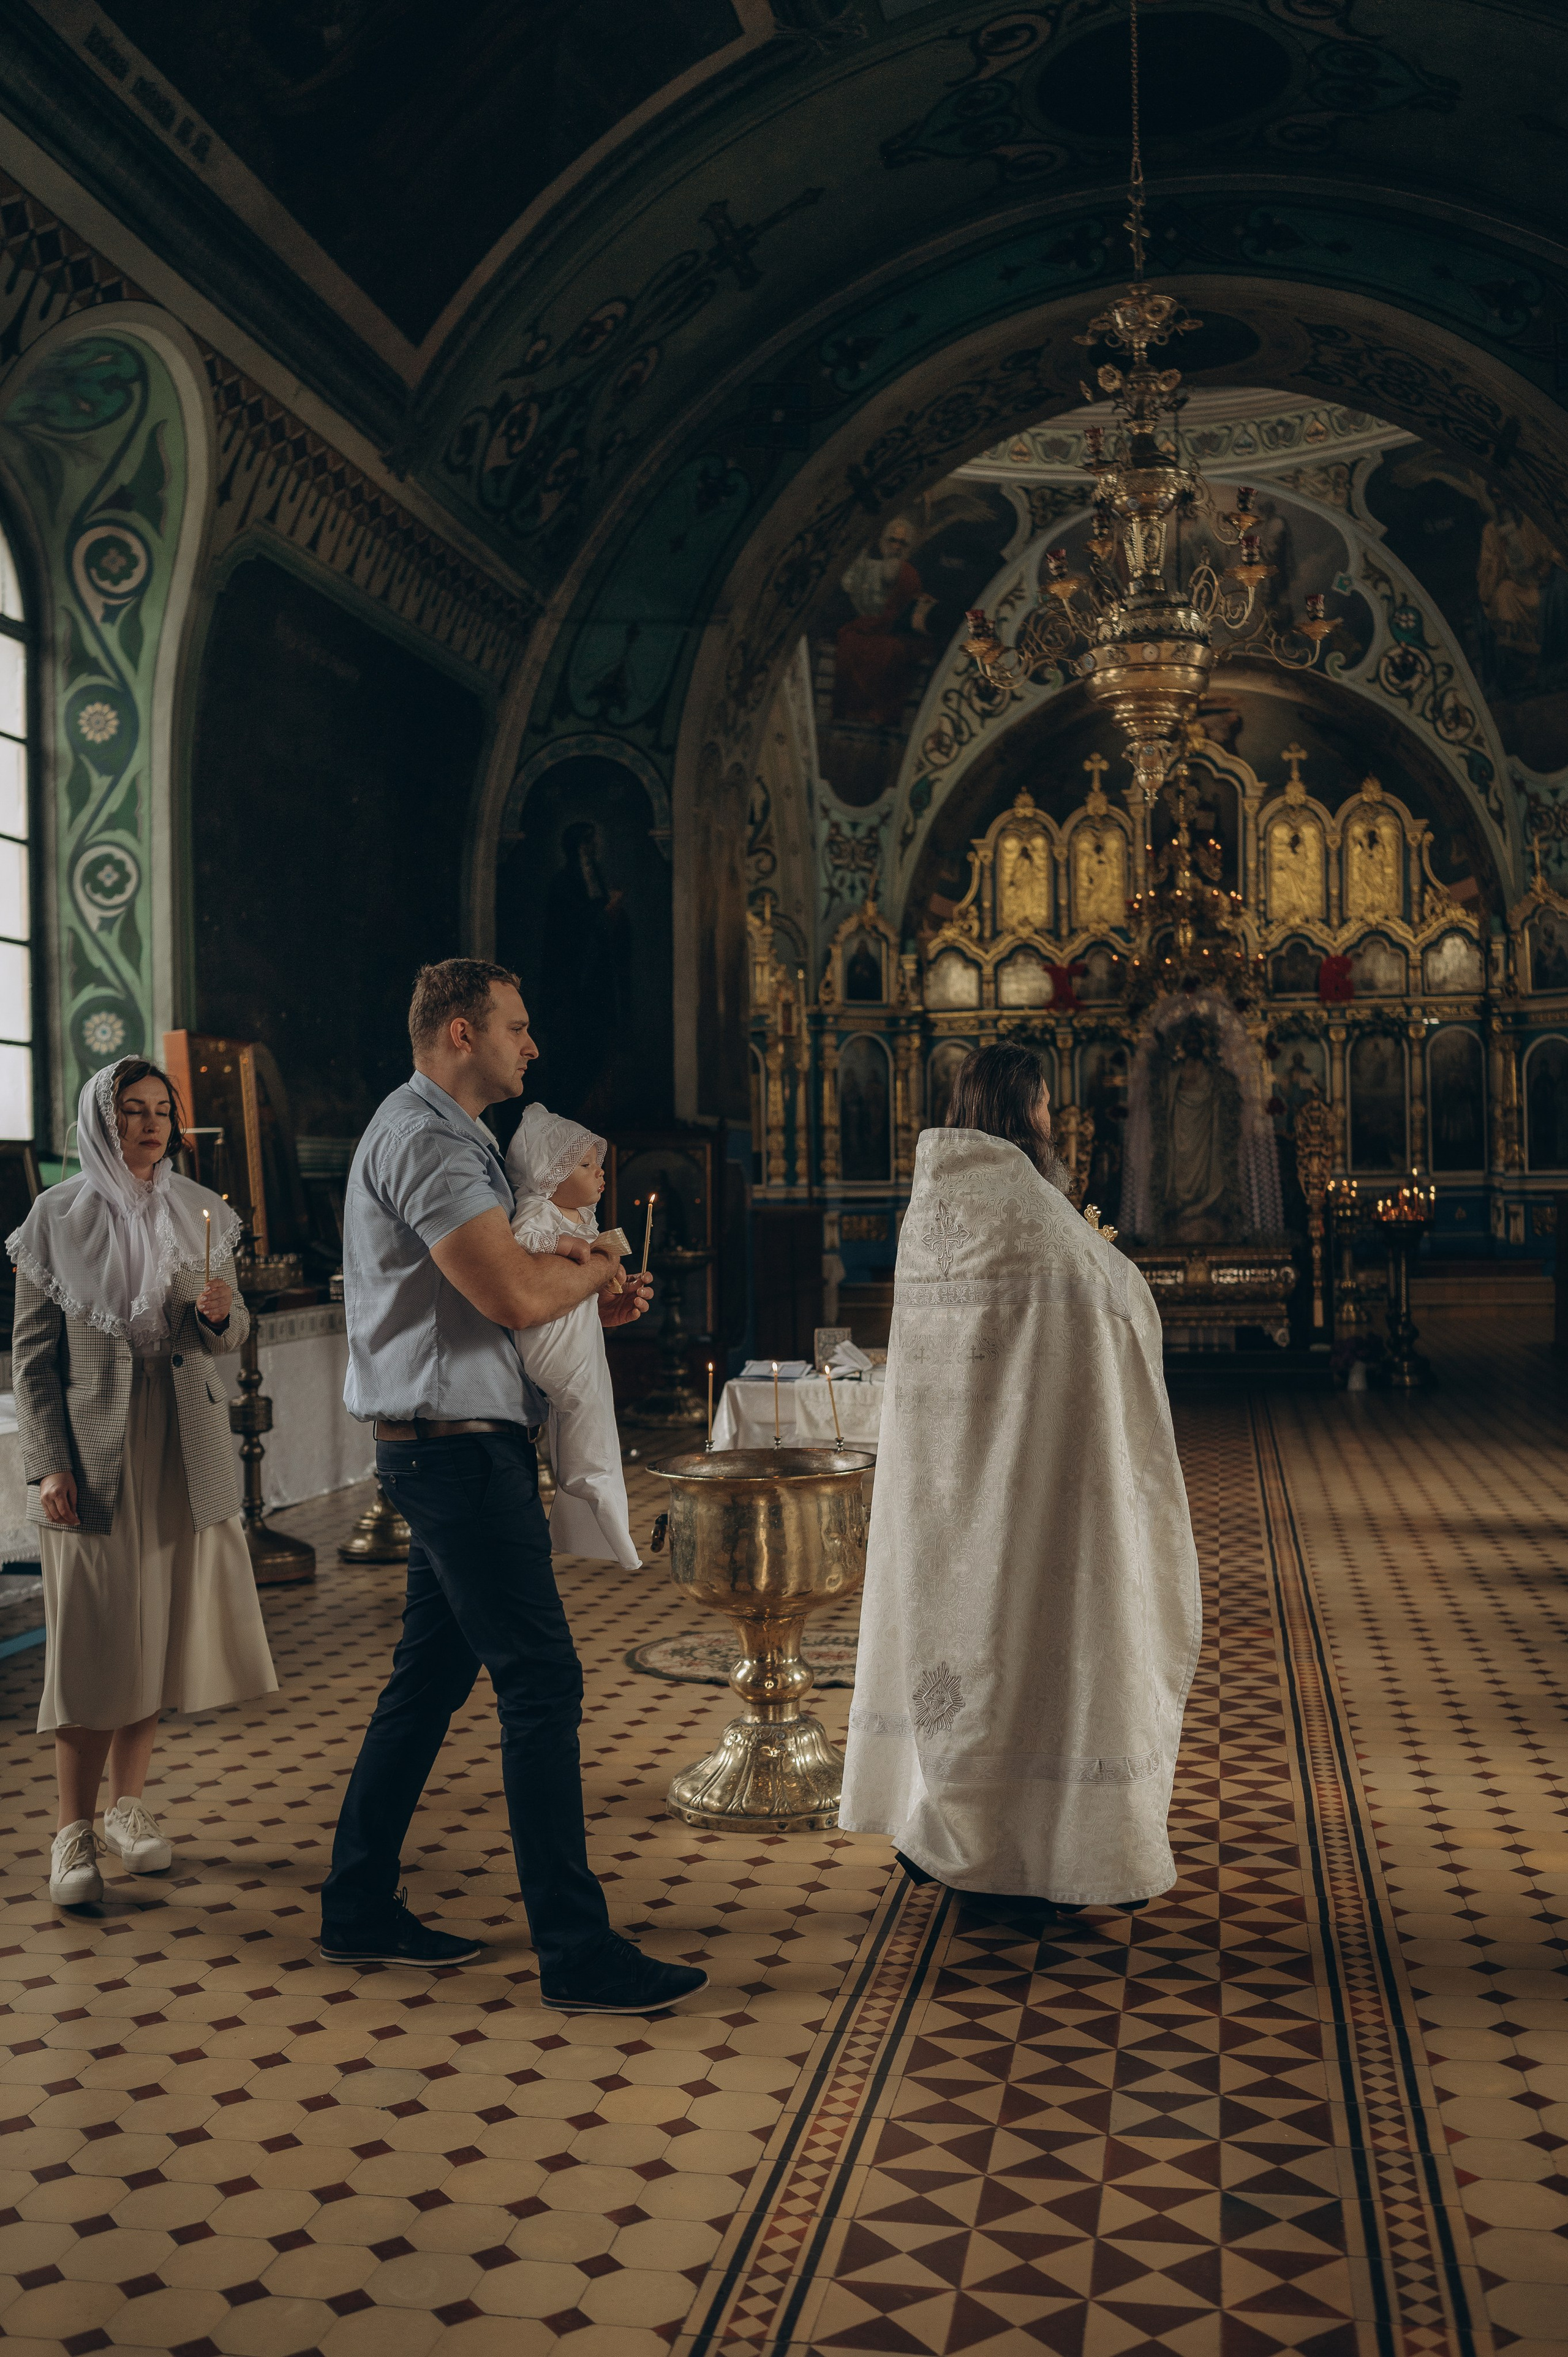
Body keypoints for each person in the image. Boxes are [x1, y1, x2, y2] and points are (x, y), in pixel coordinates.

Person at [319, 958, 707, 2015]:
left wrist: (581, 1291)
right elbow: (509, 1287)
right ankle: (576, 1951)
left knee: (429, 1680)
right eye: (517, 1027)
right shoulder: (432, 1138)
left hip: (451, 1437)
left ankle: (355, 1901)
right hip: (454, 1448)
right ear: (459, 1032)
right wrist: (588, 1268)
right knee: (542, 1681)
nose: (532, 1047)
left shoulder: (444, 1134)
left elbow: (508, 1298)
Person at [839, 1041, 1200, 1913]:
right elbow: (1115, 1299)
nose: (1053, 1122)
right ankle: (1045, 1850)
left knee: (961, 1653)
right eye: (1045, 1106)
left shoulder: (933, 1210)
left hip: (942, 1494)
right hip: (1035, 1489)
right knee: (1044, 1653)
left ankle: (947, 1826)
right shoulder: (1030, 1214)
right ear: (1026, 1108)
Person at [9, 1058, 274, 1907]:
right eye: (133, 1111)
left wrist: (224, 1315)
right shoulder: (53, 1218)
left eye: (163, 1111)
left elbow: (230, 1340)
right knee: (91, 1639)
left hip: (179, 1440)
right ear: (101, 1120)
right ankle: (71, 1830)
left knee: (152, 1630)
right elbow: (32, 1361)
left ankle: (128, 1809)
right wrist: (49, 1461)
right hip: (92, 1450)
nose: (152, 1124)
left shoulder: (201, 1211)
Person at [505, 1103, 640, 1568]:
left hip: (578, 1329)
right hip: (550, 1334)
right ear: (549, 1175)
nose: (599, 1174)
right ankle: (593, 1498)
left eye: (599, 1165)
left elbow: (590, 1277)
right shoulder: (539, 1209)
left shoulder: (583, 1217)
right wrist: (568, 1245)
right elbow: (520, 1240)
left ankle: (593, 1511)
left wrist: (611, 1282)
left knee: (594, 1409)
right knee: (585, 1404)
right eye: (584, 1165)